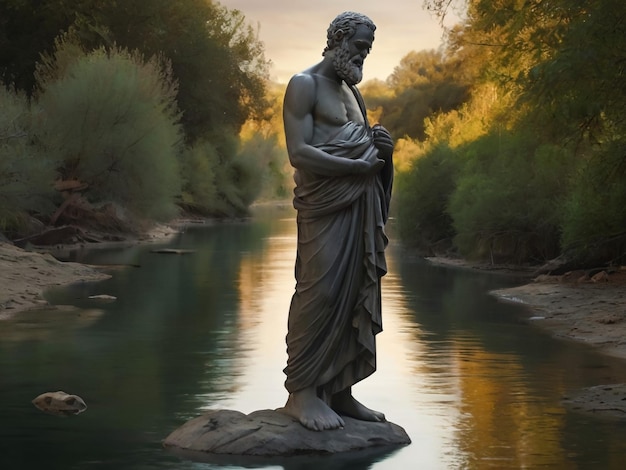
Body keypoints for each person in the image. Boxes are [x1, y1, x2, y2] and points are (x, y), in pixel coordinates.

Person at [280, 11, 394, 431]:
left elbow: (363, 150)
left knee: (354, 293)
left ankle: (341, 390)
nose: (364, 54)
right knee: (321, 291)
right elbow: (300, 153)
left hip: (358, 206)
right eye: (361, 46)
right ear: (339, 40)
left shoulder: (352, 92)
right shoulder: (303, 84)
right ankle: (302, 392)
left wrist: (385, 152)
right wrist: (354, 169)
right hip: (324, 204)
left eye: (368, 48)